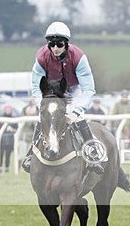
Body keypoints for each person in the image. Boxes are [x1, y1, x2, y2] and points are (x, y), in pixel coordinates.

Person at [22, 21, 104, 175]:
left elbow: (88, 89)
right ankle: (31, 154)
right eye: (51, 44)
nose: (55, 49)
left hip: (73, 89)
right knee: (43, 118)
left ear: (66, 43)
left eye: (59, 44)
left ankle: (93, 154)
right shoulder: (41, 57)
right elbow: (36, 86)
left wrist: (76, 112)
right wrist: (42, 106)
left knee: (78, 118)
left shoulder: (79, 57)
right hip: (52, 91)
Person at [0, 103, 17, 172]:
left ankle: (7, 167)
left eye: (9, 108)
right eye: (6, 108)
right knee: (0, 154)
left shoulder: (14, 119)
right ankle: (0, 167)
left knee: (8, 155)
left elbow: (17, 129)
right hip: (1, 140)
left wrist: (12, 130)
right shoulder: (0, 118)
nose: (8, 110)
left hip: (10, 140)